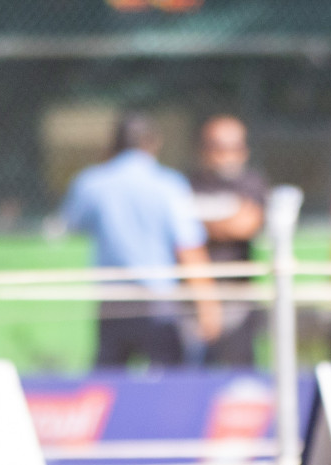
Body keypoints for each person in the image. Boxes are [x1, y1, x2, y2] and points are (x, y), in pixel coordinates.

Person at [62, 113, 222, 368]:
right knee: (169, 384)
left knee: (110, 385)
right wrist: (208, 305)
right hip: (158, 302)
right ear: (153, 143)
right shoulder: (169, 184)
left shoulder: (90, 182)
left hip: (110, 301)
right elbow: (189, 247)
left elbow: (72, 225)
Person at [189, 115, 268, 367]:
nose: (227, 155)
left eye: (235, 147)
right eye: (218, 147)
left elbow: (246, 225)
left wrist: (200, 226)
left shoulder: (252, 182)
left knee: (239, 379)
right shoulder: (188, 184)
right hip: (192, 302)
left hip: (237, 300)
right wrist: (225, 224)